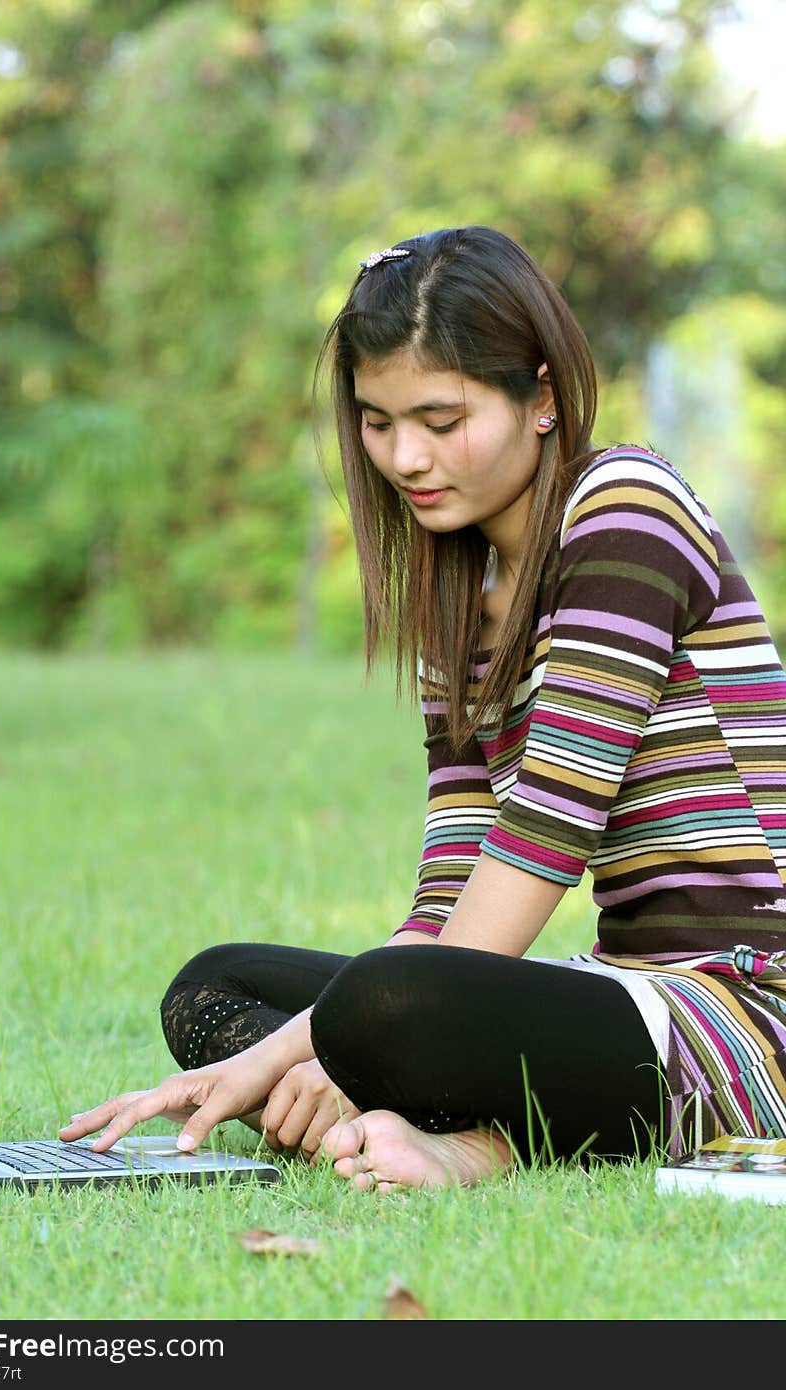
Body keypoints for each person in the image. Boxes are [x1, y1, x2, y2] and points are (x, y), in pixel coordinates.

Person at [60, 225, 786, 1191]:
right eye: (377, 421)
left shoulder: (626, 509)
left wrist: (310, 1051)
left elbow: (544, 837)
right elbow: (449, 892)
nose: (406, 456)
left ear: (542, 397)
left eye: (442, 422)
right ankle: (418, 1109)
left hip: (751, 1010)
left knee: (381, 1005)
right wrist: (311, 1042)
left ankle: (472, 1140)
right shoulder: (461, 601)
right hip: (627, 997)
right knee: (216, 988)